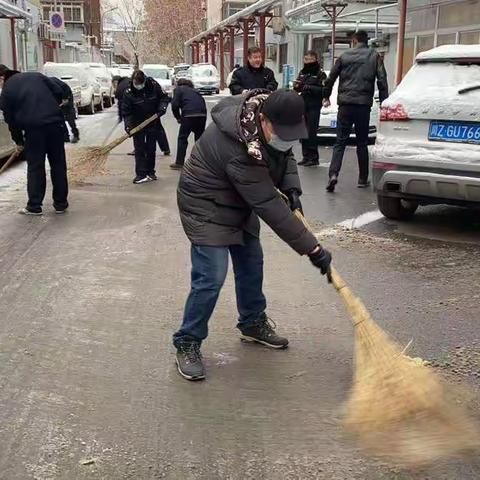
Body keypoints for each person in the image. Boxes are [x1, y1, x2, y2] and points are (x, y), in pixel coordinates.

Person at [173, 89, 332, 381]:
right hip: (205, 203)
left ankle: (252, 323)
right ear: (262, 119)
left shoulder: (271, 126)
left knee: (251, 262)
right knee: (211, 276)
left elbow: (285, 157)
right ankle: (187, 340)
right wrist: (313, 249)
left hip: (238, 198)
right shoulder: (239, 146)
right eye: (282, 132)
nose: (287, 139)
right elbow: (268, 205)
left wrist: (292, 188)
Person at [323, 30, 389, 192]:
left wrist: (326, 96)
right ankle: (362, 178)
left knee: (340, 142)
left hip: (345, 105)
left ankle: (333, 174)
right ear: (367, 41)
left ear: (354, 40)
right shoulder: (374, 56)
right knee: (361, 142)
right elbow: (382, 80)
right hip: (363, 106)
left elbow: (330, 78)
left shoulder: (344, 56)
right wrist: (384, 102)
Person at [0, 65, 69, 215]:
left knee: (36, 167)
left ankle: (34, 206)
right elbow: (58, 90)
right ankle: (61, 204)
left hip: (34, 130)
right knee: (58, 164)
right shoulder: (36, 76)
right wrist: (52, 108)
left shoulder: (7, 90)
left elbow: (10, 120)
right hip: (55, 125)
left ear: (2, 78)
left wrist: (19, 141)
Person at [122, 70, 170, 184]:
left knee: (151, 148)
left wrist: (161, 109)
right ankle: (141, 174)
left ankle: (150, 172)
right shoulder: (129, 92)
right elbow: (126, 112)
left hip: (153, 120)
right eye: (136, 84)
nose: (138, 86)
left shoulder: (153, 85)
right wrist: (128, 126)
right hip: (137, 123)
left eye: (139, 84)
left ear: (144, 81)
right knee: (139, 149)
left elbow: (164, 98)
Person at [293, 50, 326, 167]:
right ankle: (305, 156)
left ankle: (313, 157)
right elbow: (297, 88)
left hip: (314, 105)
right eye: (306, 59)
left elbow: (322, 90)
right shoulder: (302, 72)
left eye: (310, 59)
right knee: (303, 131)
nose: (307, 61)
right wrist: (296, 86)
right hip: (303, 105)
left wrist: (307, 87)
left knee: (311, 131)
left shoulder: (320, 73)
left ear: (315, 60)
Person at [170, 78, 207, 170]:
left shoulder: (178, 90)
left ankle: (179, 162)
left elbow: (174, 105)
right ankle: (200, 162)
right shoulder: (195, 91)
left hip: (189, 115)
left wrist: (178, 117)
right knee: (199, 139)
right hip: (202, 115)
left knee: (182, 138)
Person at [50, 77, 80, 144]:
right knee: (59, 116)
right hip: (57, 97)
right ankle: (65, 136)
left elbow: (65, 88)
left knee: (69, 116)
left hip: (66, 94)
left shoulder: (51, 82)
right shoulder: (41, 87)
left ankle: (75, 134)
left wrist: (65, 98)